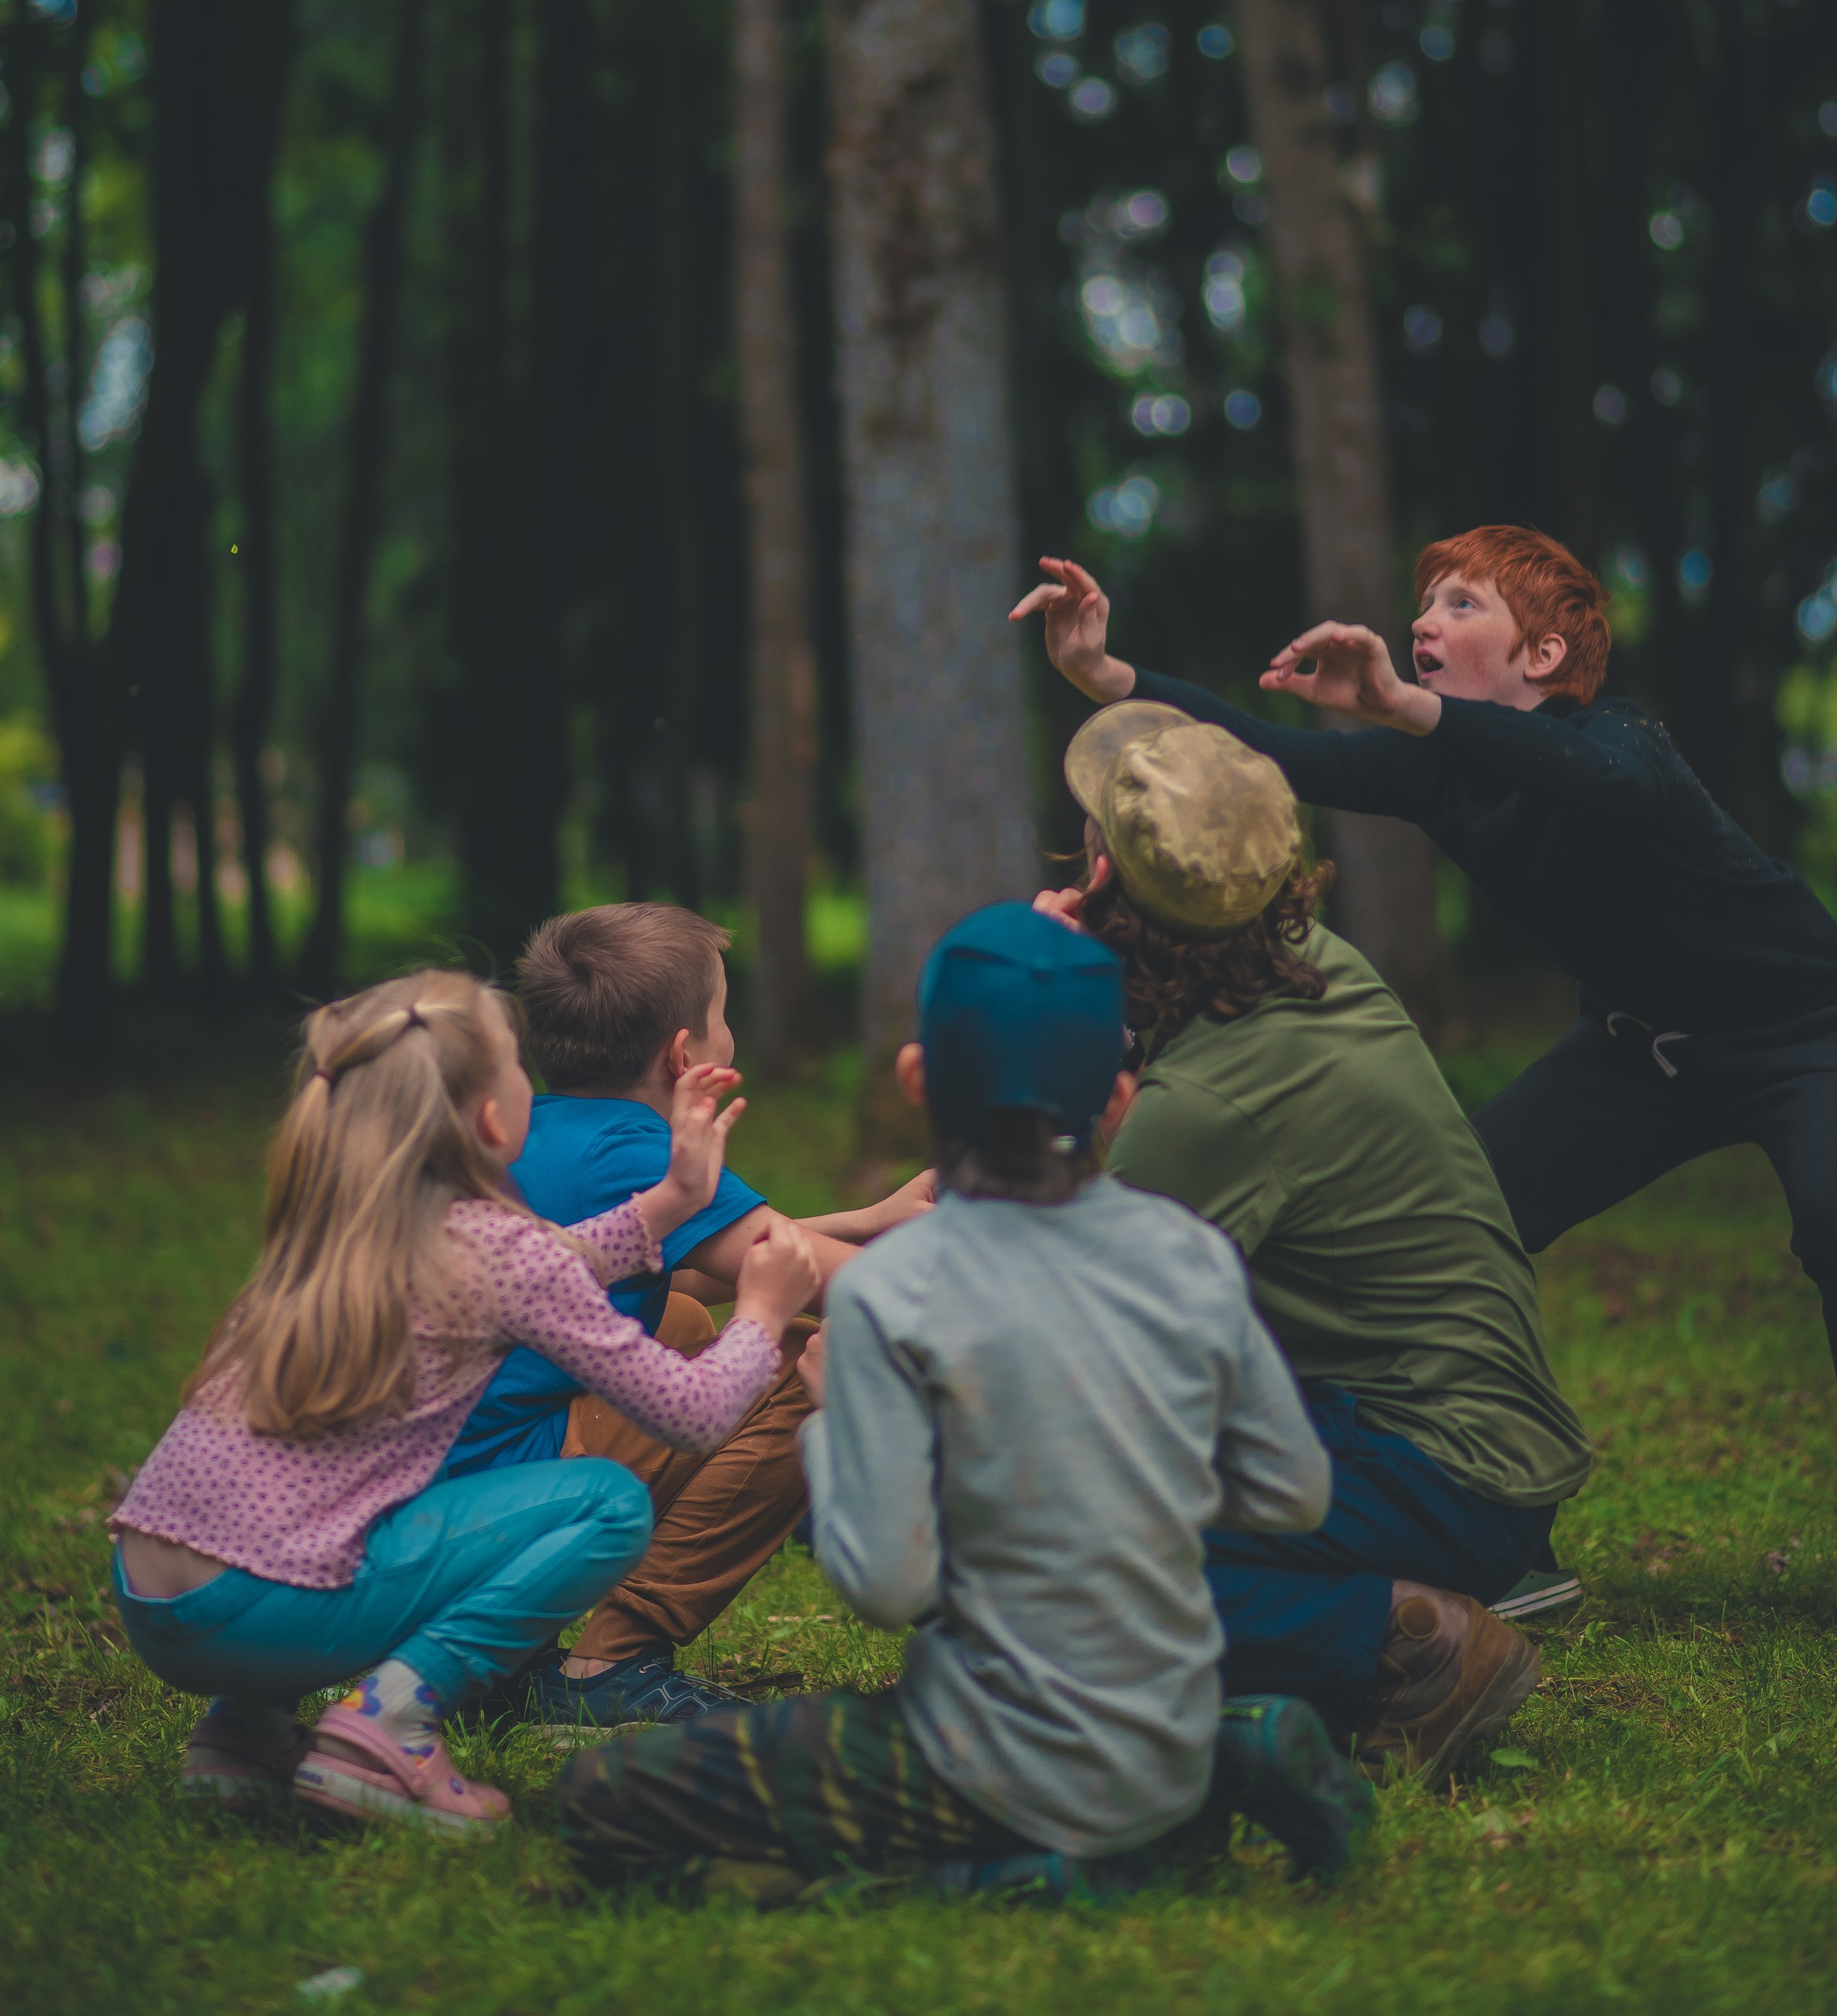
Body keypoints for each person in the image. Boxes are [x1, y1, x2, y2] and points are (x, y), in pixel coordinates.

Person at [1013, 525, 1837, 1623]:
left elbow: (1590, 778)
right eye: (1422, 602)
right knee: (1450, 1226)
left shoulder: (1624, 744)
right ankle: (1473, 1523)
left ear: (1540, 657)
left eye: (1462, 605)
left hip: (1803, 1034)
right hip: (1636, 1051)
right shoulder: (1445, 776)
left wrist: (1404, 706)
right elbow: (1263, 751)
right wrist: (1109, 679)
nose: (1424, 622)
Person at [558, 903, 1373, 1905]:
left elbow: (888, 1588)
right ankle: (1228, 1760)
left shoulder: (898, 1299)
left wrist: (837, 1435)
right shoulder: (1193, 1258)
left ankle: (1026, 1873)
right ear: (1118, 1102)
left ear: (916, 1083)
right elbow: (1293, 1493)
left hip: (976, 1756)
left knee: (603, 1796)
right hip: (1168, 1723)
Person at [108, 970, 820, 1837]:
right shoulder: (494, 1250)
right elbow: (695, 1412)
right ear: (491, 1118)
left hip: (154, 1598)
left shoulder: (344, 1224)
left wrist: (673, 1201)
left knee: (324, 1500)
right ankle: (388, 1724)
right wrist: (761, 1314)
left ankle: (241, 1733)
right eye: (518, 1064)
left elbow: (546, 1257)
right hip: (261, 1613)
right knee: (604, 1505)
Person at [1038, 699, 1588, 1775]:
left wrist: (1037, 1018)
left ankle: (1397, 1644)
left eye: (1095, 831)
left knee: (1049, 1535)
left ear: (1105, 882)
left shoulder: (1204, 1108)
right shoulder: (1309, 962)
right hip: (1469, 1450)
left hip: (1434, 1475)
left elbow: (1064, 1334)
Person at [442, 903, 934, 1728]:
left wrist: (860, 1221)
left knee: (673, 1318)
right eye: (721, 1016)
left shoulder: (538, 1132)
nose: (728, 1033)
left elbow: (698, 1269)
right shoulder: (631, 1151)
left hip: (446, 1499)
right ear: (684, 1054)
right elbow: (849, 1293)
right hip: (498, 1518)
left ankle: (516, 1656)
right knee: (813, 1348)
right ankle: (617, 1656)